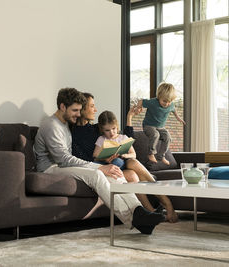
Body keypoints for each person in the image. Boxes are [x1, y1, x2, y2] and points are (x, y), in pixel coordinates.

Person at [34, 88, 165, 235]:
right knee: (98, 174)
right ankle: (134, 219)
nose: (78, 114)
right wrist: (99, 167)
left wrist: (106, 166)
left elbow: (121, 137)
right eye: (75, 110)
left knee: (114, 172)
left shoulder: (65, 123)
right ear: (63, 106)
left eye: (80, 110)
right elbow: (63, 159)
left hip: (64, 165)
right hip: (51, 168)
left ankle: (139, 210)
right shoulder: (51, 125)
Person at [92, 110, 178, 223]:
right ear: (102, 130)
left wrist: (124, 154)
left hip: (124, 163)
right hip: (111, 166)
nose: (111, 133)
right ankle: (152, 211)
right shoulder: (102, 139)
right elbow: (95, 155)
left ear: (117, 126)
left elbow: (133, 154)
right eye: (107, 130)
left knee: (133, 161)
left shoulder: (123, 137)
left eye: (113, 129)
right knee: (133, 176)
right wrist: (105, 158)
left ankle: (165, 202)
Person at [137, 82, 186, 165]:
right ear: (159, 96)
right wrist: (138, 107)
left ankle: (161, 156)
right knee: (155, 135)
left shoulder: (170, 105)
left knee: (168, 137)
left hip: (161, 127)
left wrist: (178, 118)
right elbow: (141, 101)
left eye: (169, 102)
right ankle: (151, 154)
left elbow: (174, 110)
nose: (166, 104)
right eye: (164, 101)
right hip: (149, 125)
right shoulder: (153, 102)